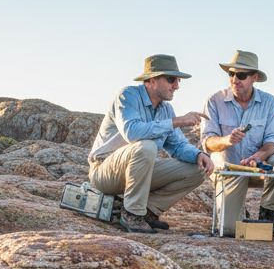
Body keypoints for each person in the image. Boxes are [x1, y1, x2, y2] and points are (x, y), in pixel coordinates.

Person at [88, 54, 214, 234]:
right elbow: (133, 133)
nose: (176, 86)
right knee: (146, 147)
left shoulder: (166, 109)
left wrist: (199, 155)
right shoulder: (127, 96)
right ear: (152, 80)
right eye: (171, 79)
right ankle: (132, 213)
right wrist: (176, 121)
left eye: (178, 80)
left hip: (139, 172)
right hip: (105, 172)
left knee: (198, 168)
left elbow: (178, 145)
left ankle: (147, 211)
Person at [200, 50, 274, 235]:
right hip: (228, 169)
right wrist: (227, 140)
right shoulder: (214, 101)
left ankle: (267, 214)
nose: (234, 79)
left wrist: (259, 156)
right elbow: (207, 142)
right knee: (230, 230)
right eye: (231, 74)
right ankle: (239, 210)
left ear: (254, 77)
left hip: (258, 169)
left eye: (241, 75)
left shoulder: (269, 102)